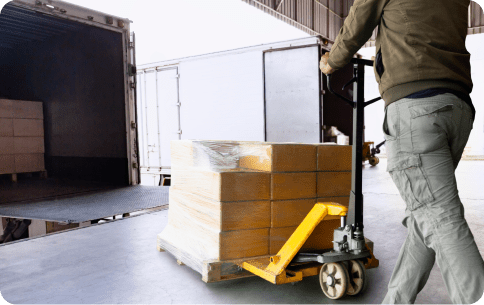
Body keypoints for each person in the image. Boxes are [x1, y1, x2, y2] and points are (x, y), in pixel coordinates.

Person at [319, 0, 484, 304]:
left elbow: (358, 22)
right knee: (426, 219)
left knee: (441, 218)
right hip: (458, 109)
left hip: (415, 108)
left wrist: (331, 61)